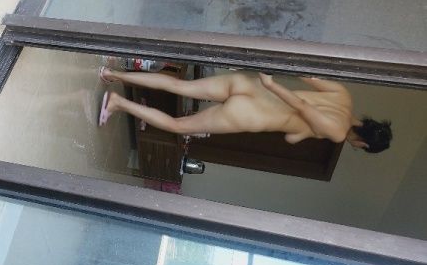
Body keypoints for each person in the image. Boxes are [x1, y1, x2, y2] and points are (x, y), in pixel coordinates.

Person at [98, 67, 392, 153]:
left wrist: (269, 82)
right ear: (363, 144)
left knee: (180, 86)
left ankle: (113, 73)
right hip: (249, 114)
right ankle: (118, 103)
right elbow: (301, 108)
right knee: (178, 126)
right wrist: (273, 85)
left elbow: (304, 75)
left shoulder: (344, 96)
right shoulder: (338, 133)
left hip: (251, 86)